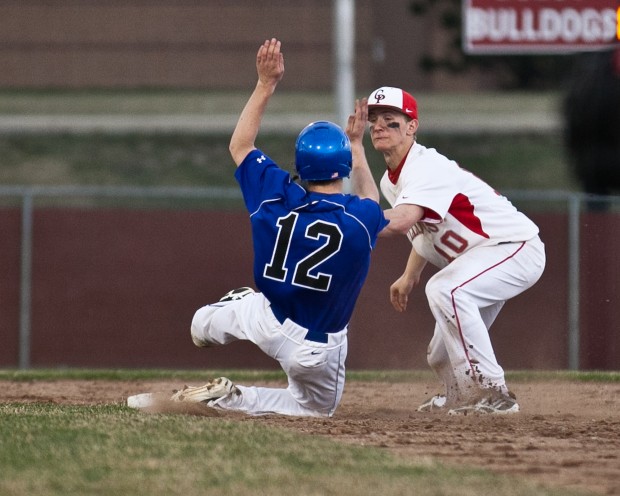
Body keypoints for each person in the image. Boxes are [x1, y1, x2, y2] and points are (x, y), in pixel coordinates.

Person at [170, 39, 388, 417]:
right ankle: (234, 400)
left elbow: (241, 145)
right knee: (314, 410)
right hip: (315, 349)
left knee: (206, 322)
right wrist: (357, 147)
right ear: (344, 168)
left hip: (267, 318)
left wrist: (265, 84)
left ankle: (209, 323)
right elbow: (373, 201)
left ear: (300, 168)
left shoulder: (276, 196)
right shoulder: (358, 219)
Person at [346, 87, 546, 415]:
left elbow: (402, 220)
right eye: (374, 121)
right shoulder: (390, 180)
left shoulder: (425, 167)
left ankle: (494, 394)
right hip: (483, 259)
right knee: (439, 355)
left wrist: (347, 220)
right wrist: (410, 275)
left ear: (412, 127)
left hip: (515, 248)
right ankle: (457, 397)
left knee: (445, 289)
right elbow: (424, 231)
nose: (379, 126)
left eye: (391, 121)